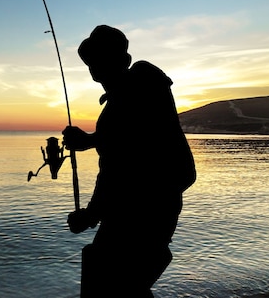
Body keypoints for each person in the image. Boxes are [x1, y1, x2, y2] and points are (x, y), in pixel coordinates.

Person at [62, 25, 196, 297]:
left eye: (99, 60)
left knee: (116, 288)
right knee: (124, 286)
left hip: (144, 213)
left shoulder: (144, 81)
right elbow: (124, 145)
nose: (95, 70)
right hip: (135, 212)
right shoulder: (121, 101)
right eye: (91, 63)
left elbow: (122, 163)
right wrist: (90, 141)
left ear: (122, 61)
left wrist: (90, 215)